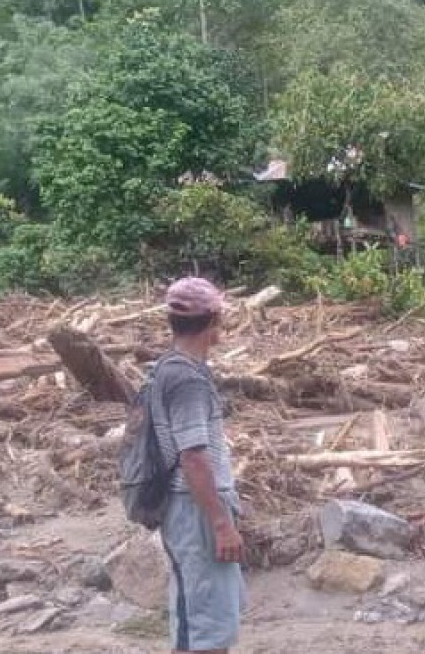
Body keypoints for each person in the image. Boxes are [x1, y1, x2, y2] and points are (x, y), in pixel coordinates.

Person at [153, 278, 246, 653]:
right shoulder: (186, 379)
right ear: (213, 319)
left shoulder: (172, 368)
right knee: (204, 627)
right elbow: (192, 458)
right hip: (196, 512)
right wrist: (221, 523)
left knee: (207, 619)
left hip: (194, 509)